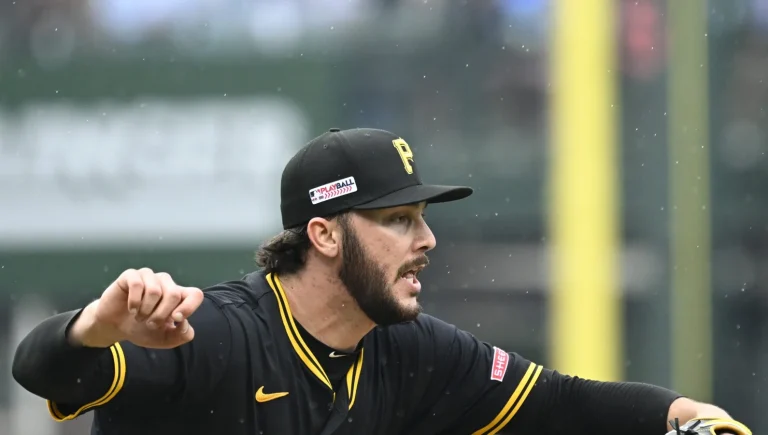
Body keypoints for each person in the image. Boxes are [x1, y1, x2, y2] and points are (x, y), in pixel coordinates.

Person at [12, 128, 750, 435]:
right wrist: (92, 327)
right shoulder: (212, 331)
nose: (425, 239)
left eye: (422, 217)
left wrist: (687, 416)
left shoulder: (411, 350)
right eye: (396, 219)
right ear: (325, 233)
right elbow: (39, 367)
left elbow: (559, 402)